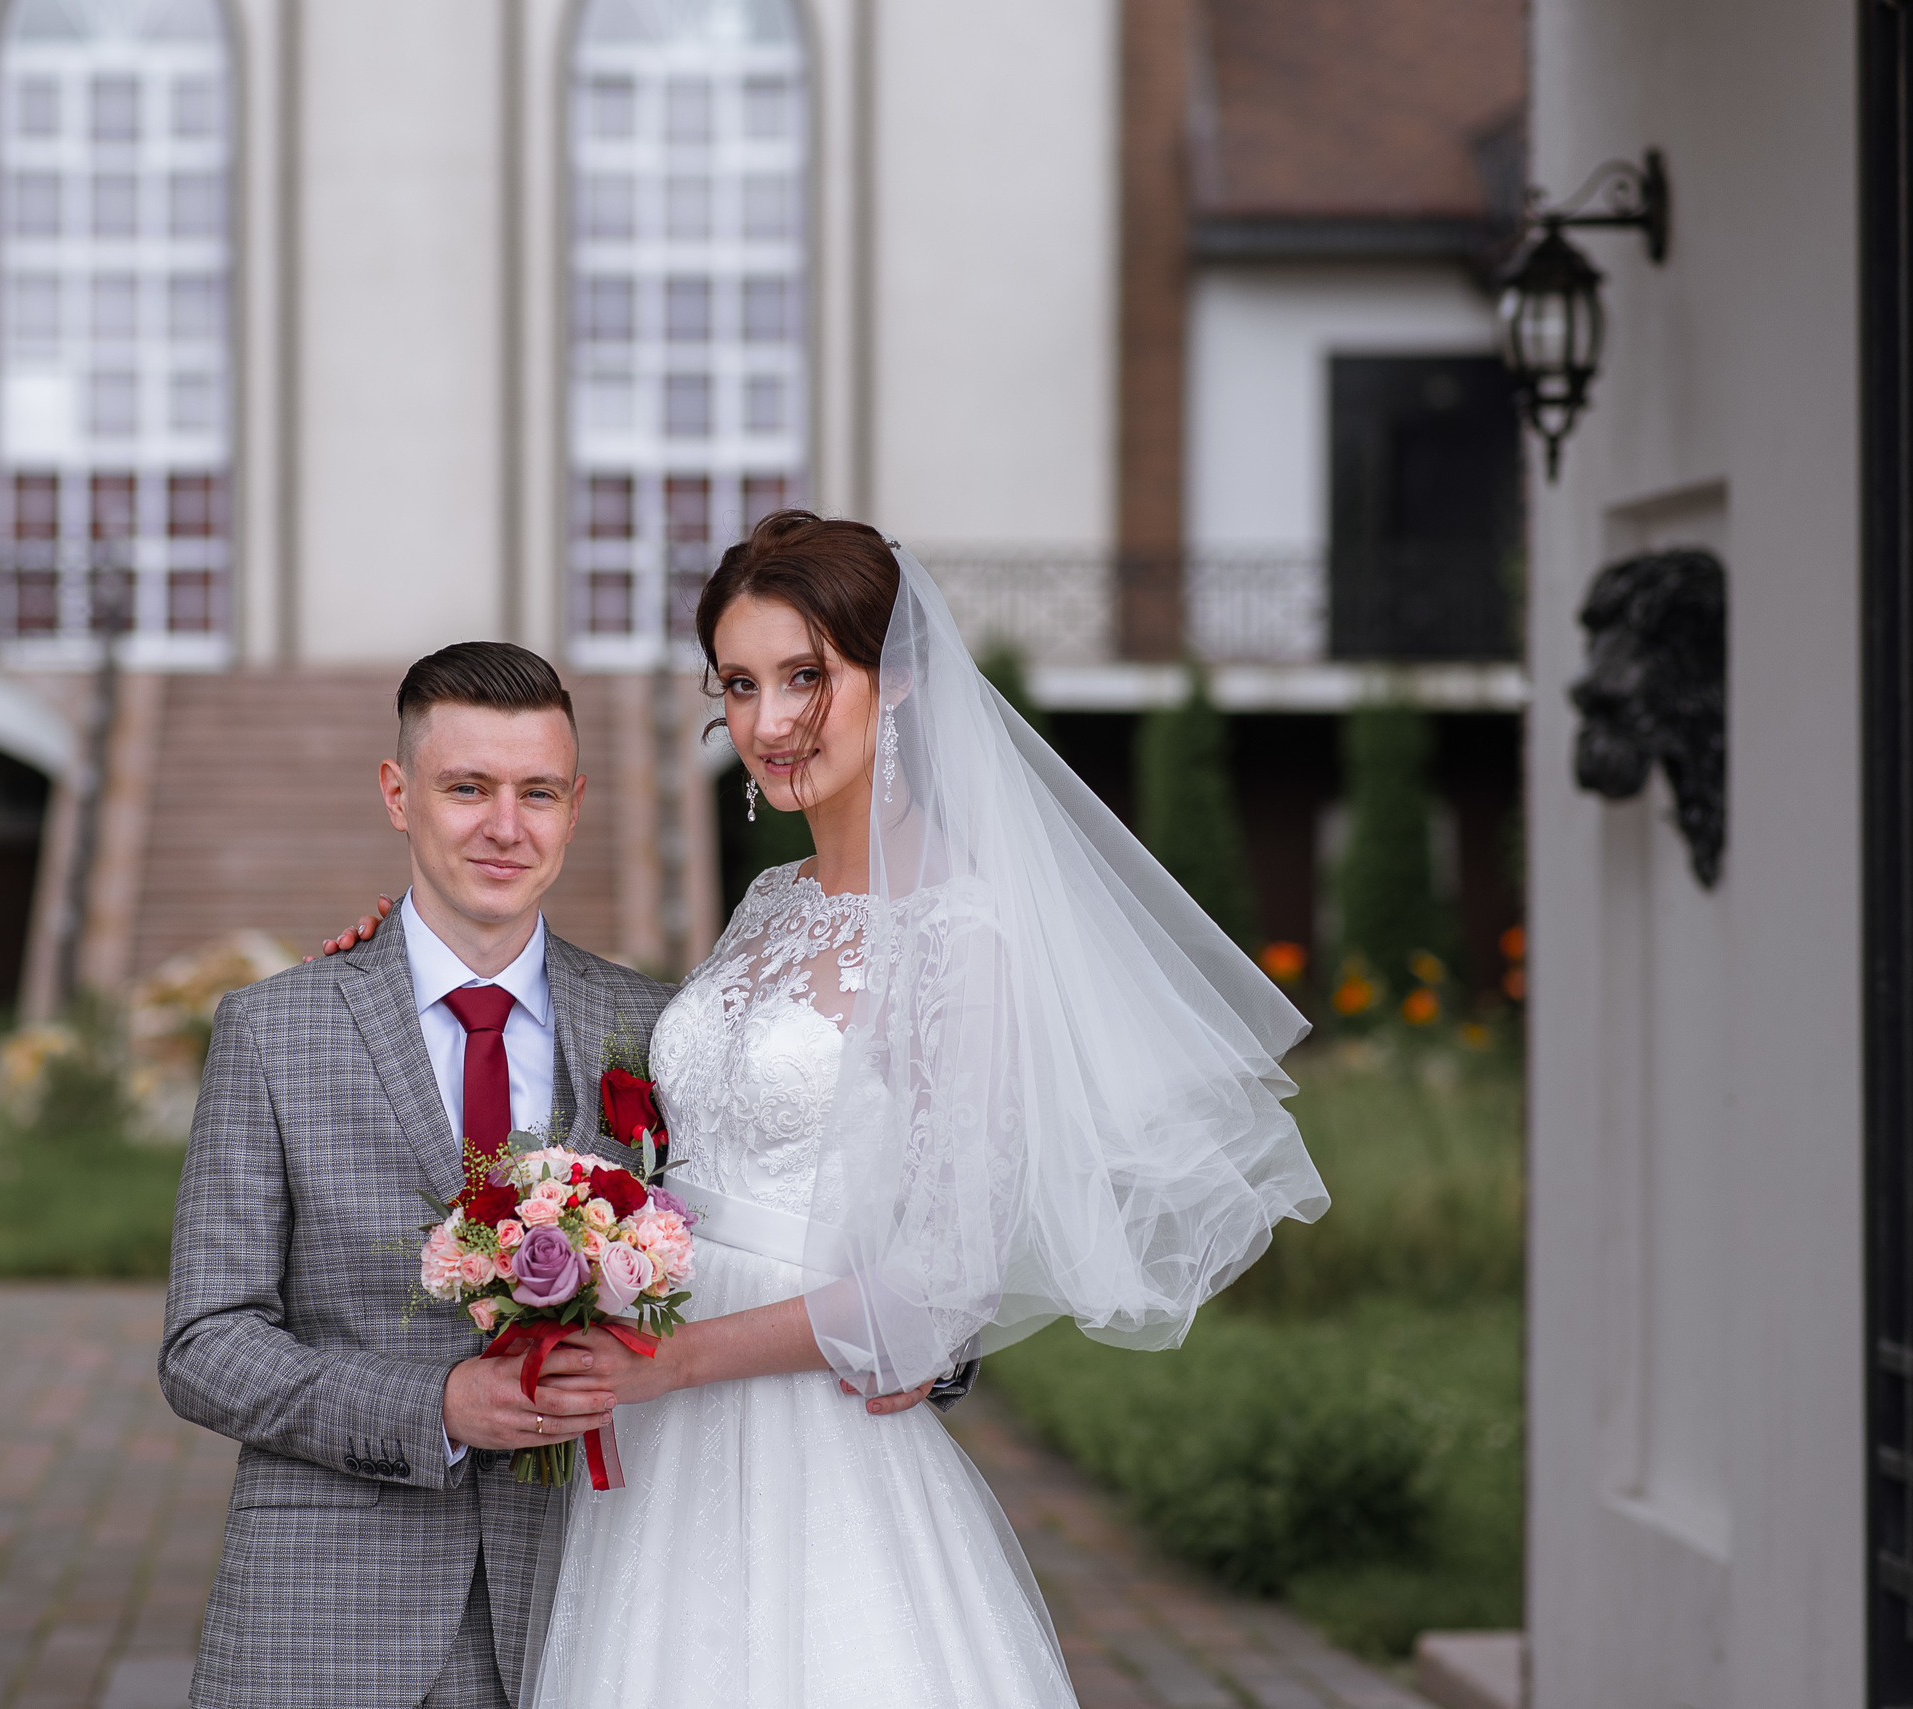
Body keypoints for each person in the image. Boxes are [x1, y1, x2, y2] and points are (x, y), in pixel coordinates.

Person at [516, 512, 1330, 1707]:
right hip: (660, 1428)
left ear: (894, 680)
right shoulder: (770, 900)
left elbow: (939, 1279)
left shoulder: (960, 931)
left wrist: (672, 1358)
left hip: (799, 1427)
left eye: (806, 676)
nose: (768, 722)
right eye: (738, 684)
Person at [158, 642, 671, 1709]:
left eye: (537, 792)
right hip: (326, 1612)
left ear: (575, 806)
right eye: (466, 787)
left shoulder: (655, 1029)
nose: (505, 826)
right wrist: (433, 1404)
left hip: (588, 1608)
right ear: (398, 794)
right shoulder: (274, 1029)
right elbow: (206, 1343)